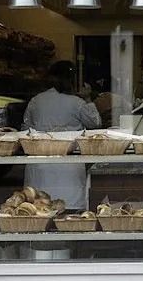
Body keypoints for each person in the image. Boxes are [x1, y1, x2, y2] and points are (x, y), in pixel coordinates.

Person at [22, 60, 101, 210]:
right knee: (69, 214)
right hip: (68, 165)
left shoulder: (36, 101)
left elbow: (26, 129)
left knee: (37, 213)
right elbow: (95, 123)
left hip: (40, 163)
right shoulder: (77, 103)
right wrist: (88, 98)